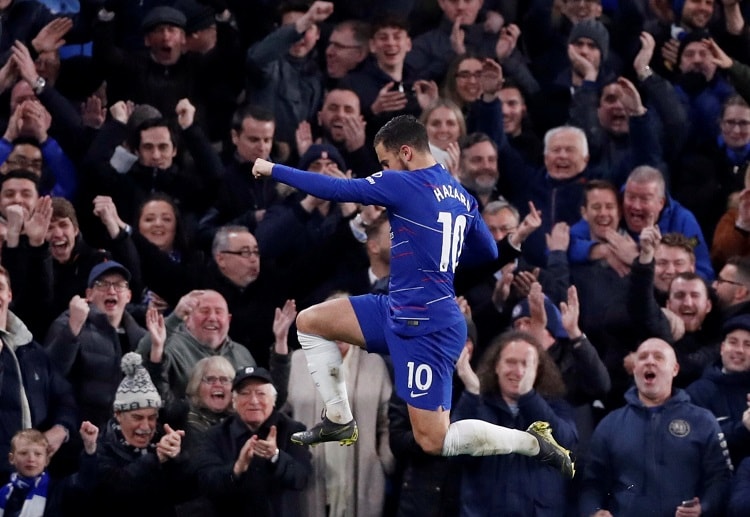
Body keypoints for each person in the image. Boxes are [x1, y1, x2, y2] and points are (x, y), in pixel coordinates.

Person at [252, 114, 574, 477]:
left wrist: (273, 168)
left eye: (386, 162)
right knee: (310, 322)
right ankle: (339, 418)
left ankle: (531, 442)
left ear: (406, 153)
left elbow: (338, 190)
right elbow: (486, 250)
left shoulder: (405, 183)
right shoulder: (462, 196)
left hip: (428, 328)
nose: (384, 171)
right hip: (397, 308)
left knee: (433, 439)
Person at [579, 338, 732, 517]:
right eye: (643, 357)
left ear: (675, 369)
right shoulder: (610, 424)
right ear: (634, 369)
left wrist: (703, 507)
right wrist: (594, 511)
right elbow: (592, 483)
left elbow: (721, 478)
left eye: (659, 357)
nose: (650, 361)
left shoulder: (702, 421)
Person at [287, 291, 395, 517]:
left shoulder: (374, 363)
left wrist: (383, 461)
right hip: (311, 473)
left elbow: (387, 421)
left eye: (346, 320)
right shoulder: (298, 361)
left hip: (362, 475)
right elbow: (282, 414)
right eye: (331, 320)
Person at [453, 330, 577, 516]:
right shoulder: (477, 406)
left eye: (526, 364)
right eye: (510, 362)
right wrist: (471, 392)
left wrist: (528, 398)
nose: (518, 371)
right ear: (496, 366)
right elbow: (457, 453)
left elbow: (565, 446)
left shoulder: (556, 407)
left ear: (538, 369)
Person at [191, 365, 312, 516]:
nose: (253, 401)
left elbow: (301, 478)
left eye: (261, 393)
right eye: (245, 393)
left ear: (273, 400)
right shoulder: (214, 436)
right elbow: (206, 484)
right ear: (234, 401)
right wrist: (237, 468)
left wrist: (275, 456)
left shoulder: (293, 430)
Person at [88, 352, 192, 517]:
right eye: (137, 418)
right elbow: (113, 493)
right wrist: (155, 459)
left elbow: (187, 493)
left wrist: (176, 458)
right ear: (118, 414)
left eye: (151, 418)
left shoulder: (163, 439)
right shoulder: (100, 446)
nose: (145, 426)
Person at [0, 263, 78, 484]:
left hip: (34, 476)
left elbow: (64, 397)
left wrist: (61, 429)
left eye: (0, 288)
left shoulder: (32, 350)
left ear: (9, 294)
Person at [45, 260, 145, 429]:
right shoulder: (69, 322)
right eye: (102, 284)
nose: (111, 290)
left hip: (125, 432)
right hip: (78, 429)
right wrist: (73, 328)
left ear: (128, 296)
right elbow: (50, 373)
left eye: (119, 285)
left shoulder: (140, 336)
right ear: (89, 294)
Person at [686, 314, 750, 467]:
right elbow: (696, 441)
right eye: (733, 342)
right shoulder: (698, 392)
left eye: (748, 344)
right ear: (722, 348)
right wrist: (744, 428)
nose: (739, 350)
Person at [0, 424, 99, 516]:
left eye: (38, 454)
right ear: (11, 458)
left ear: (46, 460)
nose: (31, 459)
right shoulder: (4, 493)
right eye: (23, 453)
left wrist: (90, 448)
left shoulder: (58, 491)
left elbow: (83, 481)